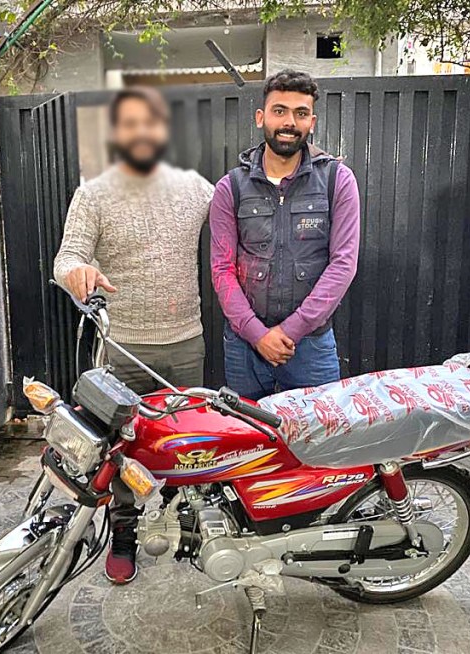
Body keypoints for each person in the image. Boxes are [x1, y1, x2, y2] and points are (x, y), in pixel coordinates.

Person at [54, 87, 213, 584]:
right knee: (121, 449)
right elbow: (66, 257)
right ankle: (123, 531)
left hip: (185, 343)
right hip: (120, 347)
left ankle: (186, 523)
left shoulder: (196, 189)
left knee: (190, 444)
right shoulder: (94, 194)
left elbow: (245, 210)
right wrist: (77, 273)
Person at [210, 69, 361, 400]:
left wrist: (290, 330)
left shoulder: (337, 181)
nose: (289, 122)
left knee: (319, 432)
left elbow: (343, 264)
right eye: (279, 110)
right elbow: (222, 270)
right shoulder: (230, 188)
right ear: (261, 117)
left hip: (311, 346)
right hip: (244, 347)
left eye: (301, 113)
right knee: (247, 432)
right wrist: (257, 334)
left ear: (312, 122)